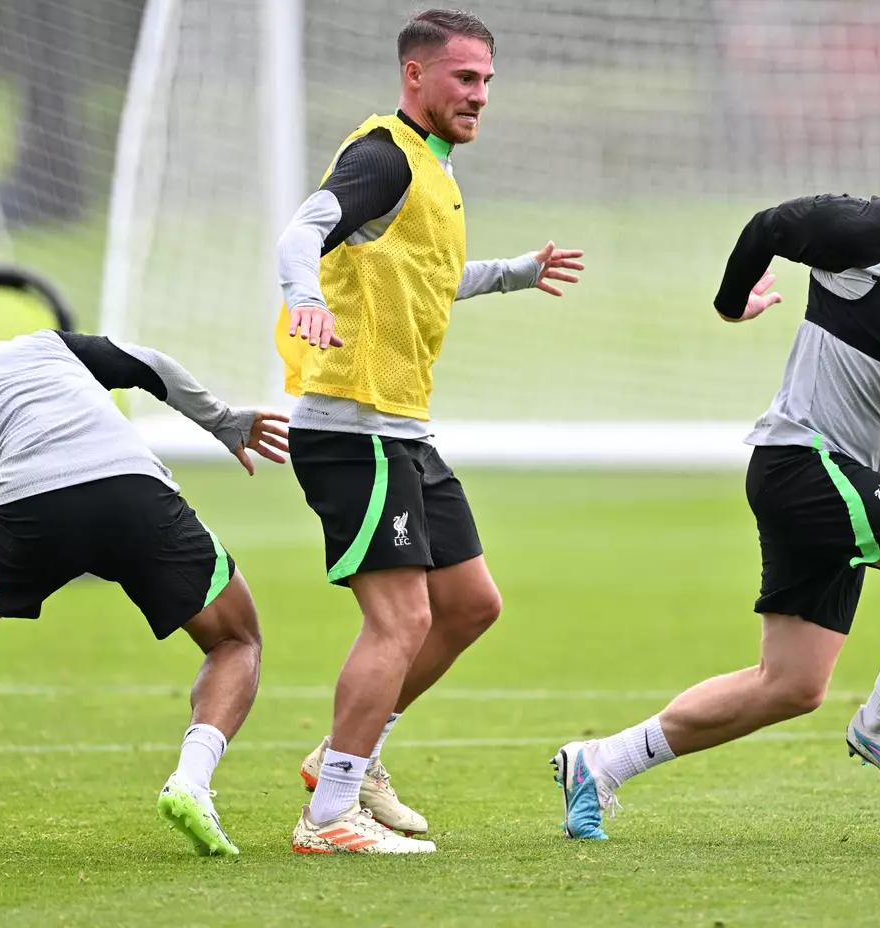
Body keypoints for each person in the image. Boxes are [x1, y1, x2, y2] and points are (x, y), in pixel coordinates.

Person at [552, 103, 880, 840]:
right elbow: (770, 227)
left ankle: (601, 763)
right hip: (800, 461)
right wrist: (729, 302)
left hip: (837, 475)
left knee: (792, 686)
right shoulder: (864, 229)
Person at [274, 8, 584, 854]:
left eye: (487, 81)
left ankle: (353, 753)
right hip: (351, 428)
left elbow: (429, 276)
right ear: (416, 76)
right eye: (465, 79)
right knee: (400, 620)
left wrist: (516, 274)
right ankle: (330, 814)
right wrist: (303, 298)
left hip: (401, 431)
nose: (480, 95)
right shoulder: (381, 158)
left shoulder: (434, 170)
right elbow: (301, 231)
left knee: (470, 604)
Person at [0, 299, 287, 855]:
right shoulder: (44, 346)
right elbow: (147, 364)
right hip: (134, 490)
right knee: (236, 638)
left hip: (32, 514)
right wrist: (222, 420)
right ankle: (192, 780)